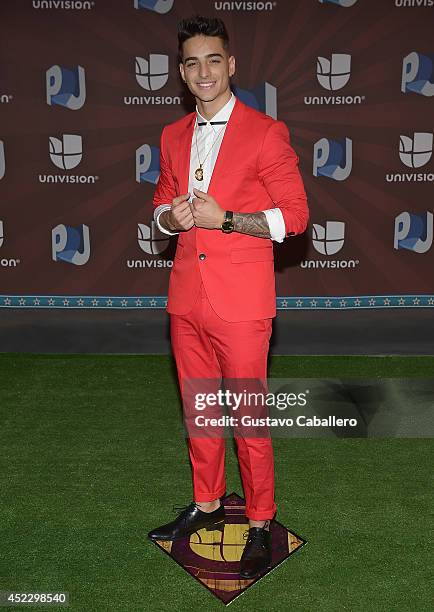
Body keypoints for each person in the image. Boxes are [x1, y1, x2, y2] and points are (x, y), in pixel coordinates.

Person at [148, 15, 309, 579]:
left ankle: (261, 520)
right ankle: (208, 504)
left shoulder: (266, 132)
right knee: (199, 413)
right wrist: (171, 216)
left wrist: (230, 218)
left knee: (247, 418)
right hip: (185, 298)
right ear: (182, 71)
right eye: (192, 62)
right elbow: (160, 204)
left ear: (231, 65)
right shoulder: (171, 135)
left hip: (241, 303)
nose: (203, 71)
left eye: (213, 59)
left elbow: (296, 216)